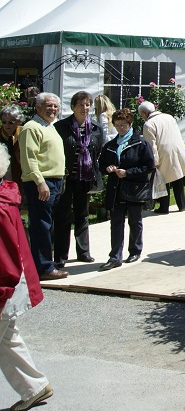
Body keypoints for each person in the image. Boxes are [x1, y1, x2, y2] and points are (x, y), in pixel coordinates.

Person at [0, 144, 53, 411]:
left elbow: (5, 261)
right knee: (6, 339)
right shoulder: (4, 197)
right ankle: (34, 387)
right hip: (10, 287)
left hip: (5, 288)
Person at [97, 108, 156, 271]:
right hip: (115, 189)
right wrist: (107, 168)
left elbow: (149, 166)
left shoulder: (141, 143)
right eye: (117, 125)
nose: (120, 128)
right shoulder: (110, 145)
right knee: (116, 223)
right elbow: (101, 165)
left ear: (130, 124)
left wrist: (128, 172)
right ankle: (115, 256)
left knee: (135, 221)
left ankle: (135, 250)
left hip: (134, 188)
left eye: (123, 125)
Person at [17, 93, 67, 281]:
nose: (52, 109)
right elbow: (29, 159)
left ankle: (45, 264)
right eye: (48, 105)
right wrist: (40, 182)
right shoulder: (31, 127)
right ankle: (44, 268)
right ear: (38, 107)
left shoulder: (50, 127)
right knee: (41, 225)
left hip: (55, 181)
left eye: (55, 106)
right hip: (42, 182)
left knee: (48, 225)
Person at [53, 91, 101, 266]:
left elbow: (98, 150)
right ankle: (60, 256)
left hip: (85, 178)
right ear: (73, 107)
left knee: (83, 215)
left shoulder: (96, 129)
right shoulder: (61, 127)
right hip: (66, 178)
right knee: (63, 216)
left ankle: (83, 252)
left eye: (87, 104)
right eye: (80, 104)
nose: (84, 108)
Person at [138, 101, 185, 213]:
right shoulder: (169, 117)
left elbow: (151, 146)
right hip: (177, 149)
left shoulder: (148, 124)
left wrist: (154, 162)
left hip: (162, 152)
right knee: (177, 176)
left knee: (162, 180)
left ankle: (164, 207)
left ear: (144, 113)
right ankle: (182, 205)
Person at [0, 107, 23, 186]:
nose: (7, 125)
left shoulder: (24, 132)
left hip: (21, 172)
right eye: (4, 122)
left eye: (11, 122)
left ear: (18, 122)